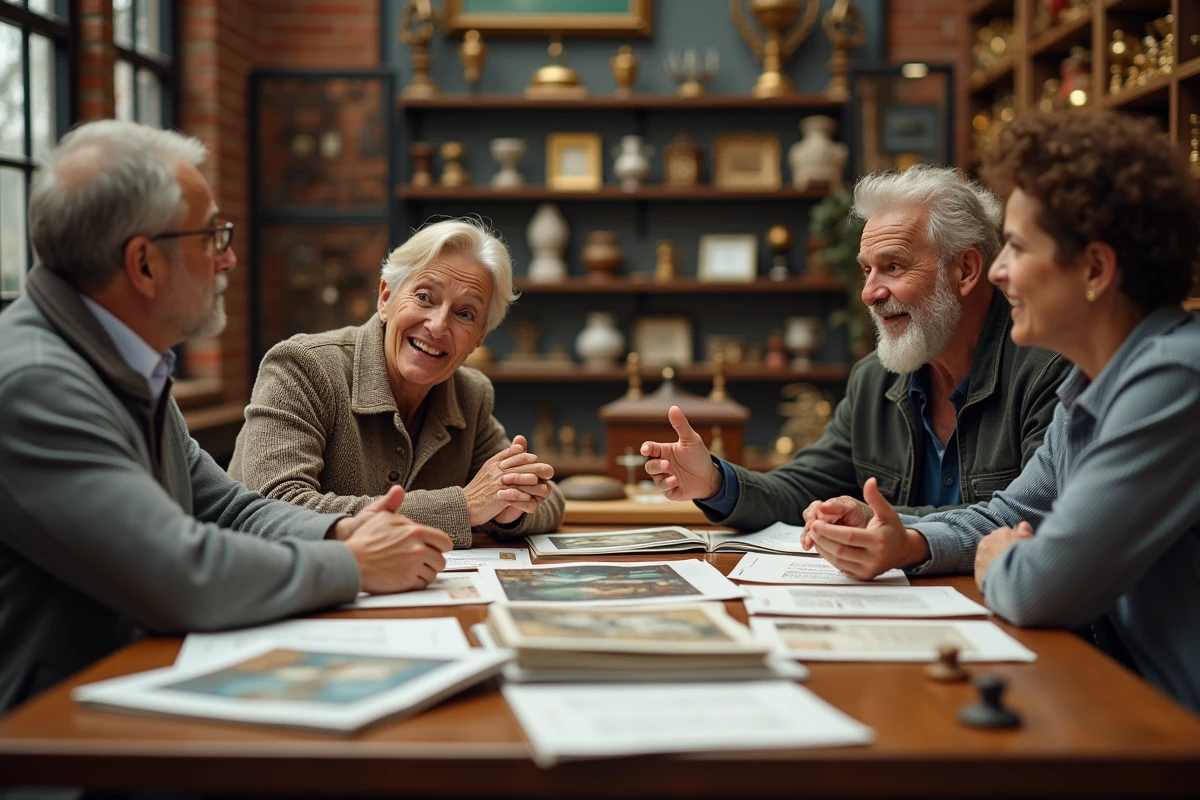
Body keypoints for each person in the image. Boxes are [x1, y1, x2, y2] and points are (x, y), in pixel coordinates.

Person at [0, 120, 453, 713]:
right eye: (212, 236)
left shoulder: (125, 360)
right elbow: (177, 574)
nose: (230, 257)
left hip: (130, 690)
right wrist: (350, 563)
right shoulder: (36, 383)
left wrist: (341, 530)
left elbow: (227, 507)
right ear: (144, 265)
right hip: (57, 737)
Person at [806, 112, 1200, 712]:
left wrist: (1003, 559)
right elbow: (1011, 512)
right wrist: (909, 540)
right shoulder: (1096, 385)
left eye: (1017, 246)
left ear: (1094, 269)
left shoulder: (1174, 379)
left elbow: (1042, 584)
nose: (997, 270)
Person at [641, 165, 1069, 577]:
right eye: (867, 269)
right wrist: (714, 480)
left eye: (894, 266)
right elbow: (801, 489)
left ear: (966, 270)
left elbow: (1028, 515)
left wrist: (886, 523)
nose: (869, 294)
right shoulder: (874, 379)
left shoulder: (1049, 369)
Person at [227, 219, 564, 548]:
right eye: (424, 297)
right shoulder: (302, 366)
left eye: (465, 314)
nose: (437, 325)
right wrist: (466, 506)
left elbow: (549, 501)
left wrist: (507, 508)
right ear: (386, 299)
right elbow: (275, 509)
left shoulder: (469, 394)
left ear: (478, 339)